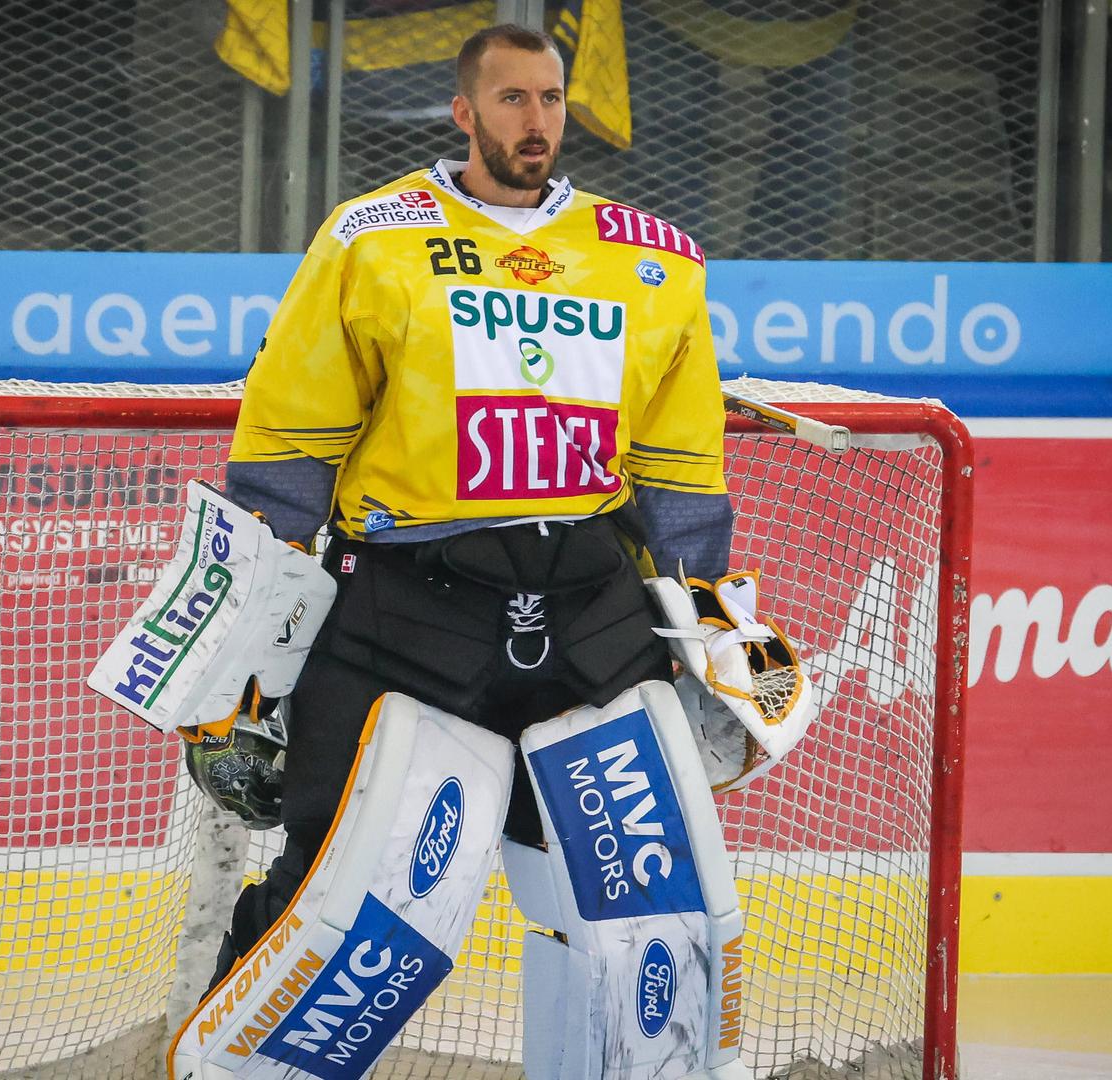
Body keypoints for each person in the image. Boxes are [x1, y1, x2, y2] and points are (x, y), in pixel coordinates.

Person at [158, 23, 812, 1080]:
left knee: (644, 921)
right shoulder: (373, 239)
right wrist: (243, 669)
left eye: (551, 100)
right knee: (333, 895)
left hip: (591, 616)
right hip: (409, 610)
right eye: (512, 101)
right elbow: (286, 454)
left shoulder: (653, 259)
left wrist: (710, 627)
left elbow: (681, 468)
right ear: (463, 111)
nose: (536, 121)